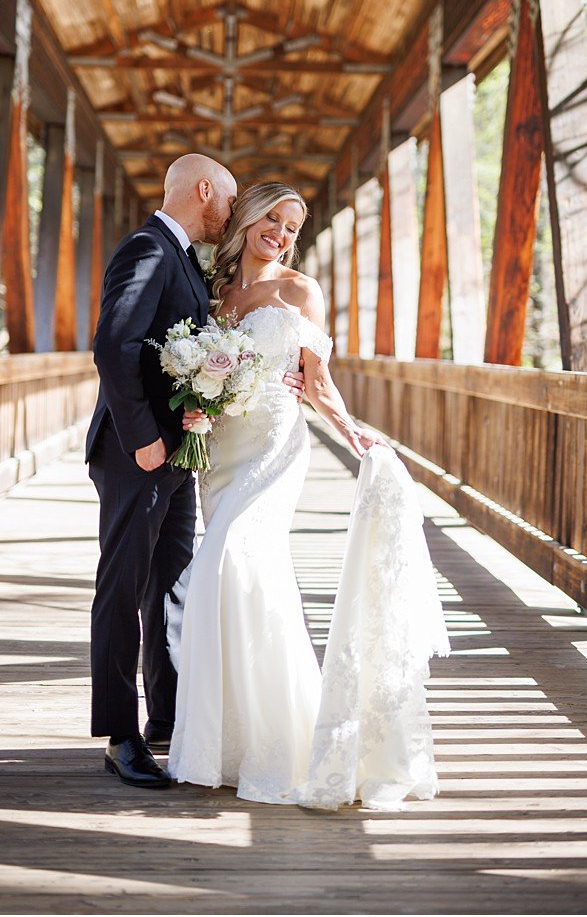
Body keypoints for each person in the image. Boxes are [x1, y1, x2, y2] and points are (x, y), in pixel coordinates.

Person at [164, 180, 413, 805]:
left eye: (293, 227)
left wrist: (353, 433)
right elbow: (187, 366)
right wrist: (191, 410)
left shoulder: (300, 291)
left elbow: (317, 379)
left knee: (231, 556)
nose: (280, 233)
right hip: (218, 450)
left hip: (275, 443)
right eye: (272, 218)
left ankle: (283, 740)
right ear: (248, 218)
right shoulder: (210, 290)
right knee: (235, 578)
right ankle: (228, 743)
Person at [87, 153, 307, 787]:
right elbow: (114, 345)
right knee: (124, 587)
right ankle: (120, 736)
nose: (231, 216)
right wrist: (144, 440)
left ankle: (168, 717)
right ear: (204, 191)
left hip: (181, 452)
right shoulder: (148, 248)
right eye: (230, 201)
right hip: (141, 454)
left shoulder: (188, 260)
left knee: (173, 585)